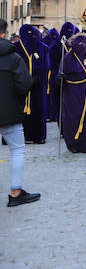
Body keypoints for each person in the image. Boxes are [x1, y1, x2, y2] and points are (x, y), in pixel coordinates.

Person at [0, 19, 40, 207]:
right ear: (4, 33)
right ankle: (15, 192)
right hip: (9, 112)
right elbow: (24, 84)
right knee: (17, 150)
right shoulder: (13, 57)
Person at [15, 25, 49, 144]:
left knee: (38, 110)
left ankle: (37, 136)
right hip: (21, 86)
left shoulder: (43, 48)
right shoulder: (15, 48)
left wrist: (35, 80)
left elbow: (46, 67)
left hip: (35, 86)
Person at [43, 28, 62, 122]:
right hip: (50, 72)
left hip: (52, 72)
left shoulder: (49, 45)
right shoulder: (56, 45)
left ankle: (52, 114)